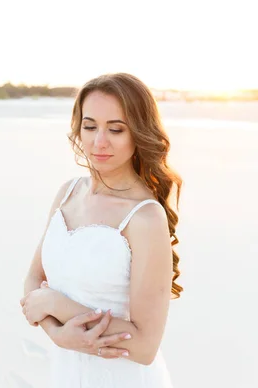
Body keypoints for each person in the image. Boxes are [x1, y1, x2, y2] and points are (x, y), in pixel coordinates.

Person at [21, 73, 182, 387]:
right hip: (66, 374)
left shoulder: (145, 217)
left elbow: (144, 346)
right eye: (90, 126)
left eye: (116, 129)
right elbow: (32, 281)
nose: (99, 142)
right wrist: (57, 334)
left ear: (138, 132)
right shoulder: (68, 192)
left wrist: (56, 305)